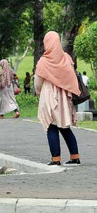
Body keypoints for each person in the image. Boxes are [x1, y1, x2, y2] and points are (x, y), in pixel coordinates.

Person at [35, 31, 81, 166]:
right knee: (65, 126)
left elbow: (38, 82)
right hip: (65, 96)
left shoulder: (44, 61)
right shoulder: (66, 58)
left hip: (49, 95)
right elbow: (71, 75)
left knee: (51, 126)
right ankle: (75, 156)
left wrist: (39, 93)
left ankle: (56, 159)